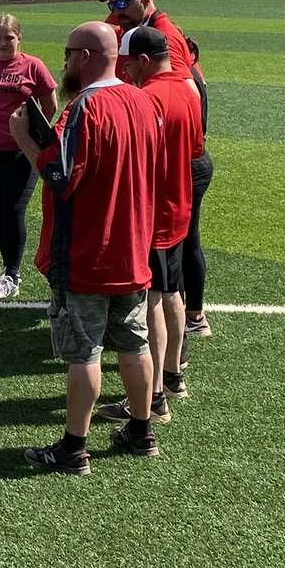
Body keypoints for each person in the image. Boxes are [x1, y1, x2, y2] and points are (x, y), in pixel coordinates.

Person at [9, 21, 162, 474]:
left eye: (69, 52)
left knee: (84, 353)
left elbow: (62, 177)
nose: (66, 61)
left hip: (86, 253)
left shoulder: (84, 107)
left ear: (87, 57)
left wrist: (25, 140)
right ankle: (141, 430)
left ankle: (74, 447)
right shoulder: (143, 102)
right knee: (134, 345)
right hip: (133, 249)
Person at [93, 27, 202, 423]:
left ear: (142, 60)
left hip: (154, 214)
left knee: (152, 301)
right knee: (173, 292)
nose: (126, 72)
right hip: (179, 208)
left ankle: (154, 398)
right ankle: (173, 377)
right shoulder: (188, 89)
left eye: (128, 64)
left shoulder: (148, 98)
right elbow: (193, 150)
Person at [0, 13, 58, 300]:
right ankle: (8, 268)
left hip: (22, 151)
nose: (3, 43)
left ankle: (12, 274)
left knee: (13, 209)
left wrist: (27, 134)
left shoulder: (33, 66)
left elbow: (49, 105)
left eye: (9, 38)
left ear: (19, 38)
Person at [98, 0, 191, 74]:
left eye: (122, 3)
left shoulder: (164, 40)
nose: (116, 12)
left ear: (146, 0)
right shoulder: (128, 29)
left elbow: (176, 86)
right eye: (112, 5)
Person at [183, 38, 214, 339]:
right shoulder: (192, 70)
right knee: (188, 238)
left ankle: (193, 314)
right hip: (198, 160)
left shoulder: (185, 75)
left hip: (189, 162)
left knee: (182, 241)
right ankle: (193, 314)